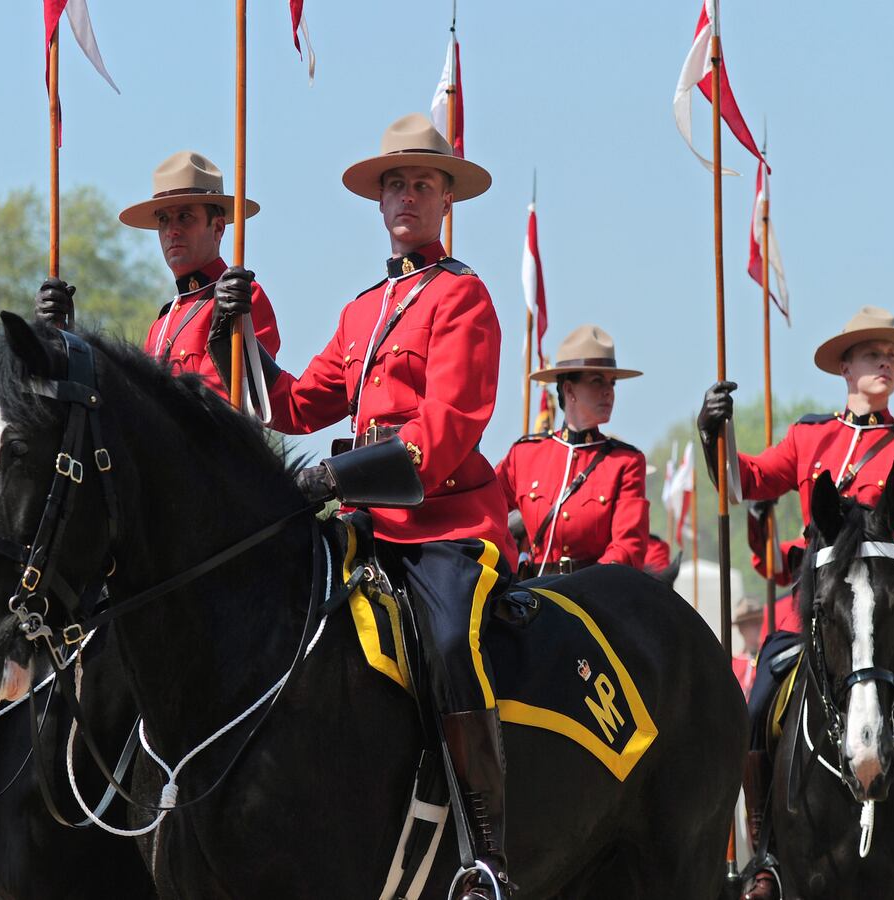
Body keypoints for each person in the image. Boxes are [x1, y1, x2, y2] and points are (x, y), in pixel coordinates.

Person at [214, 113, 511, 898]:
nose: (406, 196)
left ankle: (486, 852)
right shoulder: (361, 311)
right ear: (380, 204)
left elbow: (443, 434)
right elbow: (290, 405)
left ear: (446, 198)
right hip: (366, 528)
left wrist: (338, 480)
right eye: (395, 185)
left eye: (421, 183)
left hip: (445, 525)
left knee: (449, 641)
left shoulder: (464, 296)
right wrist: (235, 333)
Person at [699, 306, 894, 898]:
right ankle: (766, 848)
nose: (886, 363)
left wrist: (889, 551)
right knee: (756, 704)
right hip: (821, 610)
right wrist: (714, 434)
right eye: (874, 354)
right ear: (845, 366)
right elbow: (746, 482)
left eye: (892, 356)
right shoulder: (808, 436)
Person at [35, 150, 280, 402]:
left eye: (185, 217)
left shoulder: (241, 300)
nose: (172, 230)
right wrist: (63, 336)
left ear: (217, 228)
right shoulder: (160, 326)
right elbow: (132, 410)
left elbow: (220, 412)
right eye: (164, 219)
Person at [495, 325, 650, 576]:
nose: (608, 391)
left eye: (611, 383)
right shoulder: (524, 455)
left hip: (594, 595)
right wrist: (511, 563)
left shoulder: (625, 462)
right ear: (569, 390)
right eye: (597, 381)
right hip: (530, 593)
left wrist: (587, 588)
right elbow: (486, 513)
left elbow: (628, 547)